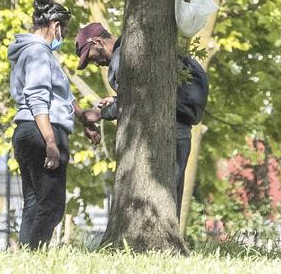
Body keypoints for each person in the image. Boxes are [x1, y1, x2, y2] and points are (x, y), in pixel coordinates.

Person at [75, 23, 208, 219]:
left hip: (167, 131)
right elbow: (149, 91)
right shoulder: (140, 48)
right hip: (180, 128)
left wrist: (100, 114)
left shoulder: (122, 56)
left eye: (91, 56)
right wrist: (115, 100)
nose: (95, 63)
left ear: (98, 42)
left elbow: (136, 100)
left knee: (161, 196)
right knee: (171, 196)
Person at [8, 0, 100, 249]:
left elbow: (61, 95)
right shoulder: (38, 53)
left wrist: (83, 118)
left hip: (26, 130)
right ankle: (34, 257)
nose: (64, 36)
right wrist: (50, 141)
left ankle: (25, 258)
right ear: (55, 26)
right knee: (52, 204)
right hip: (43, 131)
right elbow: (38, 98)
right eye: (65, 30)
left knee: (35, 202)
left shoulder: (28, 52)